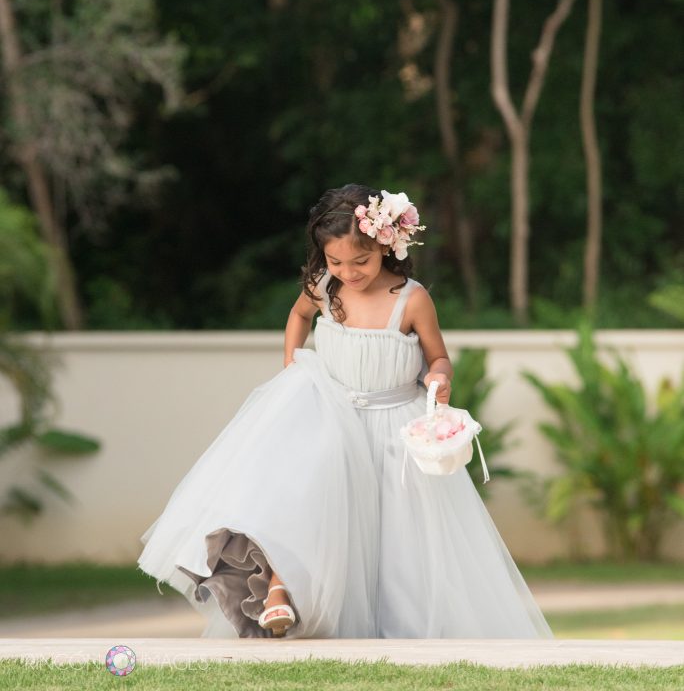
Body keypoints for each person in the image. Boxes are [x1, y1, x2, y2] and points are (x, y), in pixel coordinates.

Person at [137, 183, 553, 640]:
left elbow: (438, 356)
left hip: (392, 427)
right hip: (330, 416)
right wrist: (293, 365)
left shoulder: (411, 299)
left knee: (397, 537)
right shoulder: (323, 288)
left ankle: (400, 624)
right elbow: (298, 316)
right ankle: (279, 588)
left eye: (361, 261)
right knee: (303, 498)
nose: (349, 272)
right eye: (336, 262)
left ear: (386, 246)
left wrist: (439, 376)